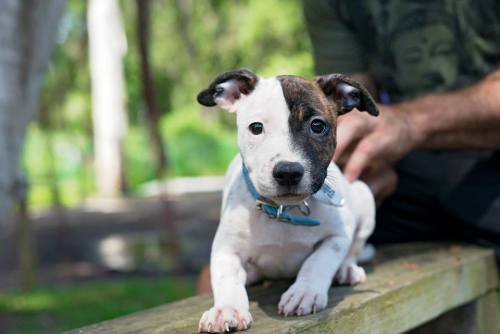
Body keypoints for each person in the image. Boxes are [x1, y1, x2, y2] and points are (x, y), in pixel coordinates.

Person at [303, 0, 500, 258]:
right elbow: (348, 96)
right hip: (404, 172)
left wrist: (410, 122)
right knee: (302, 234)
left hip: (488, 161)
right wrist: (362, 157)